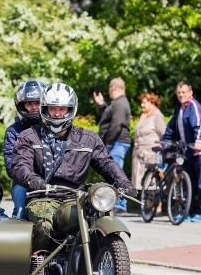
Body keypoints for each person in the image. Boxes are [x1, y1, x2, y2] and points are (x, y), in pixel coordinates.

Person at [10, 82, 135, 252]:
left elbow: (107, 163)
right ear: (44, 109)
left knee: (99, 217)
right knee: (43, 226)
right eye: (52, 109)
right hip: (43, 197)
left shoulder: (88, 139)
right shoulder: (29, 137)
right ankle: (39, 261)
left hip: (77, 198)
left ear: (71, 109)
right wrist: (32, 179)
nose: (57, 113)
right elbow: (20, 165)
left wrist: (124, 183)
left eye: (62, 109)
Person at [162, 82, 201, 222]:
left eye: (183, 92)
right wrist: (165, 141)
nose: (181, 95)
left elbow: (199, 125)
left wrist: (199, 141)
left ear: (190, 93)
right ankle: (186, 212)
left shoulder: (194, 106)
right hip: (187, 152)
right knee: (187, 183)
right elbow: (172, 126)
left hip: (200, 152)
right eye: (179, 92)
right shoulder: (179, 107)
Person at [4, 79, 46, 218]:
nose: (34, 107)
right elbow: (11, 166)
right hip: (23, 182)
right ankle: (18, 226)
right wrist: (31, 178)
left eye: (37, 103)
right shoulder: (13, 131)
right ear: (22, 105)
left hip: (51, 180)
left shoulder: (53, 128)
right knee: (20, 210)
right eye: (29, 104)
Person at [93, 77, 132, 214]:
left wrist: (108, 140)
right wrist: (101, 104)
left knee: (116, 173)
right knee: (112, 173)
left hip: (117, 142)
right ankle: (115, 203)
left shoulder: (120, 103)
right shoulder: (117, 103)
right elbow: (108, 118)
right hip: (115, 142)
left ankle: (120, 204)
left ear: (113, 87)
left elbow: (116, 124)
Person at [132, 92, 167, 190]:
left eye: (144, 103)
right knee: (141, 187)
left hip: (151, 156)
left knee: (151, 186)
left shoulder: (157, 116)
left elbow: (164, 135)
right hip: (139, 156)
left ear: (152, 103)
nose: (141, 105)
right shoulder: (144, 116)